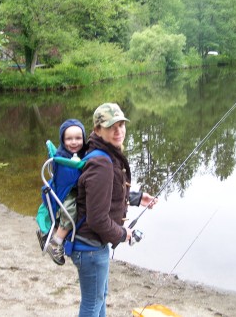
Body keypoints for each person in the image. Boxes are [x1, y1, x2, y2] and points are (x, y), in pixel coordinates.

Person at [71, 103, 157, 317]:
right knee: (92, 304)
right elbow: (98, 218)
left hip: (93, 246)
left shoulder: (103, 154)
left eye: (121, 125)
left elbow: (106, 194)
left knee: (100, 298)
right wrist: (122, 233)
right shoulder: (102, 163)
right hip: (90, 247)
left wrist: (137, 198)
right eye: (112, 126)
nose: (118, 131)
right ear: (98, 129)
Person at [40, 119, 87, 266]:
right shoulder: (62, 156)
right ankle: (56, 242)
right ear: (62, 139)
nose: (74, 142)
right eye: (69, 139)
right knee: (71, 211)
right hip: (65, 192)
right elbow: (70, 173)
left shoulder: (83, 152)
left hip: (71, 188)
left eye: (78, 138)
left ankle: (46, 235)